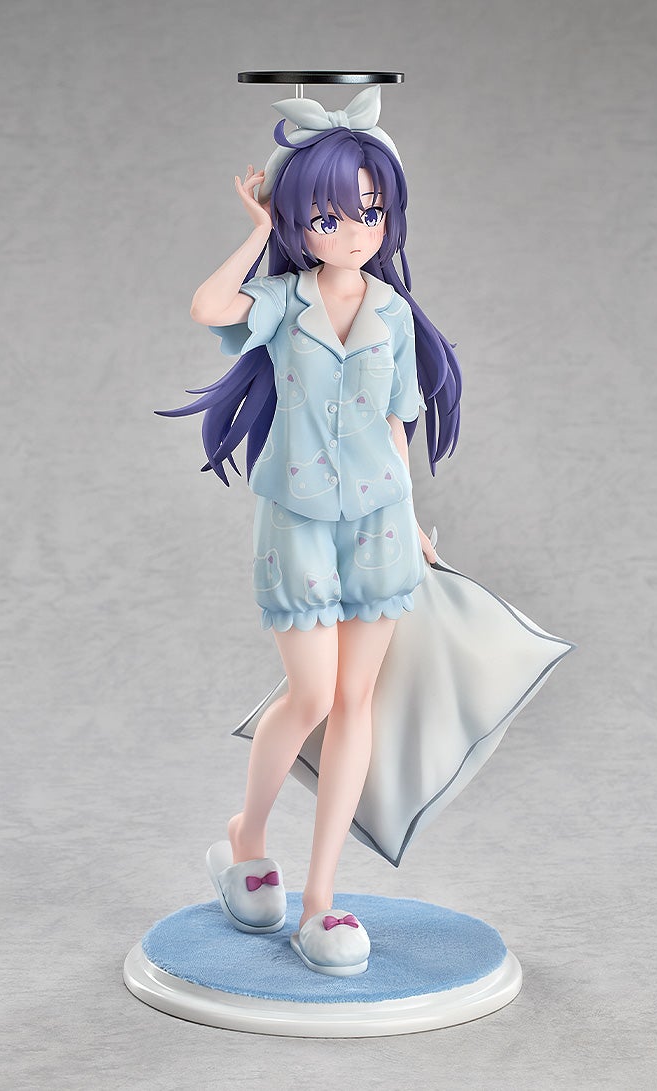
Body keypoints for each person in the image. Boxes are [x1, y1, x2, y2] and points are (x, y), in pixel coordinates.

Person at [160, 87, 462, 975]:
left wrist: (414, 523)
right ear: (300, 221)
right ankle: (246, 838)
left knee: (356, 702)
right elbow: (208, 306)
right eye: (330, 216)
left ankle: (322, 899)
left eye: (371, 211)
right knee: (312, 697)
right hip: (295, 521)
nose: (356, 231)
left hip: (378, 525)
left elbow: (397, 422)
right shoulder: (282, 302)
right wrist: (257, 227)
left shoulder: (393, 315)